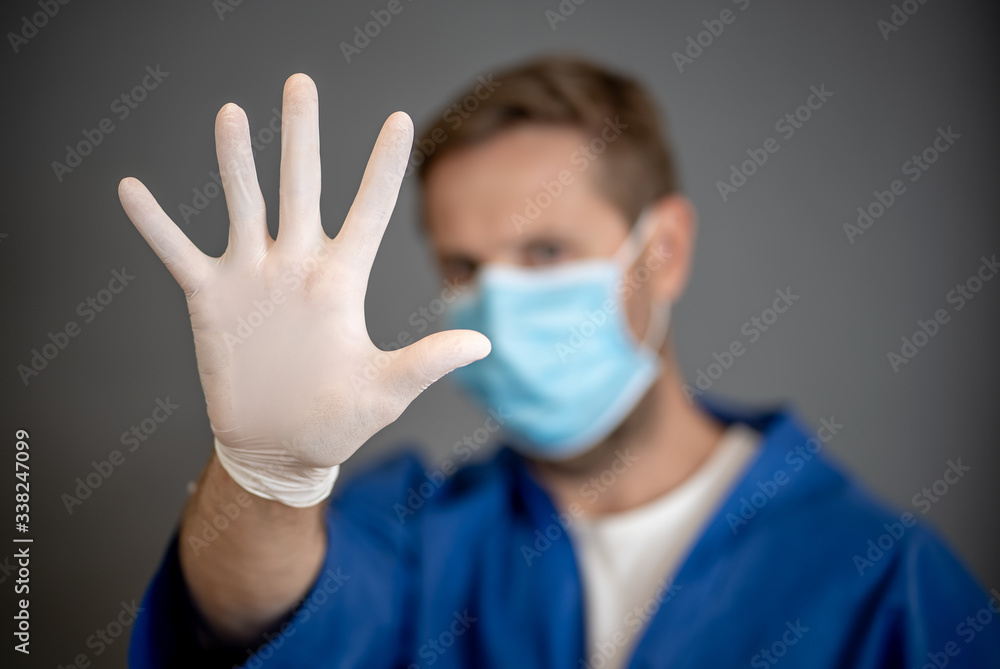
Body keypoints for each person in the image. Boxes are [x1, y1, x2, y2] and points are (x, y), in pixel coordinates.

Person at [120, 57, 1000, 668]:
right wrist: (267, 475)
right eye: (465, 266)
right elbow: (255, 621)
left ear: (663, 250)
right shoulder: (419, 533)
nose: (501, 302)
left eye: (545, 251)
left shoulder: (883, 579)